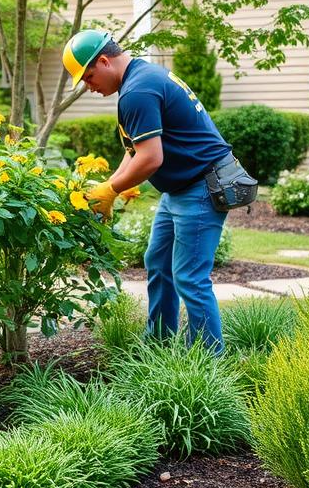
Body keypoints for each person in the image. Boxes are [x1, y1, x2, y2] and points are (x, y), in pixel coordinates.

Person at [67, 29, 240, 353]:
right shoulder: (140, 78)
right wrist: (110, 188)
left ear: (104, 61)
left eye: (88, 77)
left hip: (202, 186)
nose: (90, 87)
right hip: (179, 189)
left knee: (190, 277)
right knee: (158, 262)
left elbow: (151, 158)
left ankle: (208, 361)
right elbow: (135, 149)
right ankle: (159, 344)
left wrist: (110, 190)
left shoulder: (138, 90)